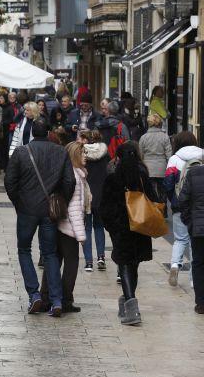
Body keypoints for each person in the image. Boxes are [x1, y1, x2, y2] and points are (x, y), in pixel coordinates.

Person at [5, 120, 76, 317]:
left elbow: (10, 181)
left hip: (27, 209)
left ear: (32, 133)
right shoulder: (61, 152)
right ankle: (55, 300)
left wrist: (19, 203)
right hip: (49, 211)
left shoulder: (21, 152)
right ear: (48, 132)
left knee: (24, 249)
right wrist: (60, 201)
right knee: (50, 253)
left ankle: (34, 294)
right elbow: (70, 181)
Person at [100, 141, 159, 325]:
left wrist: (111, 226)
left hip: (121, 228)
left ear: (118, 157)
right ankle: (127, 304)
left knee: (124, 264)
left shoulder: (112, 178)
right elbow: (154, 199)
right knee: (133, 265)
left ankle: (132, 309)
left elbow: (104, 206)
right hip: (140, 227)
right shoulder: (143, 177)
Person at [40, 141, 89, 313]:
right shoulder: (75, 176)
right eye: (83, 153)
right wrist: (81, 235)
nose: (86, 156)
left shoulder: (66, 173)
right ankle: (65, 299)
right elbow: (75, 208)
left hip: (58, 224)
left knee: (53, 261)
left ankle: (46, 297)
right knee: (71, 263)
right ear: (75, 155)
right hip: (68, 227)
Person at [164, 131, 201, 287]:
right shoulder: (202, 156)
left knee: (180, 239)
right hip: (199, 207)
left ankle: (174, 266)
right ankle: (194, 280)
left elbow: (168, 184)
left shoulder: (174, 159)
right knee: (195, 242)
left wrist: (173, 199)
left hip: (179, 205)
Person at [177, 157, 204, 314]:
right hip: (196, 225)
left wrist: (189, 222)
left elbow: (183, 200)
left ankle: (201, 303)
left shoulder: (193, 173)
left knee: (199, 264)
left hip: (198, 229)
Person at [81, 130, 110, 272]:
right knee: (99, 227)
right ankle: (101, 256)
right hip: (101, 195)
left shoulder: (82, 154)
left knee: (86, 228)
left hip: (86, 195)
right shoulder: (106, 154)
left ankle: (88, 262)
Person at [139, 114, 171, 211]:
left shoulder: (144, 137)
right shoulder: (165, 137)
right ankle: (163, 210)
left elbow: (140, 155)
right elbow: (169, 155)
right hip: (162, 168)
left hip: (148, 168)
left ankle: (152, 210)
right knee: (162, 190)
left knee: (150, 190)